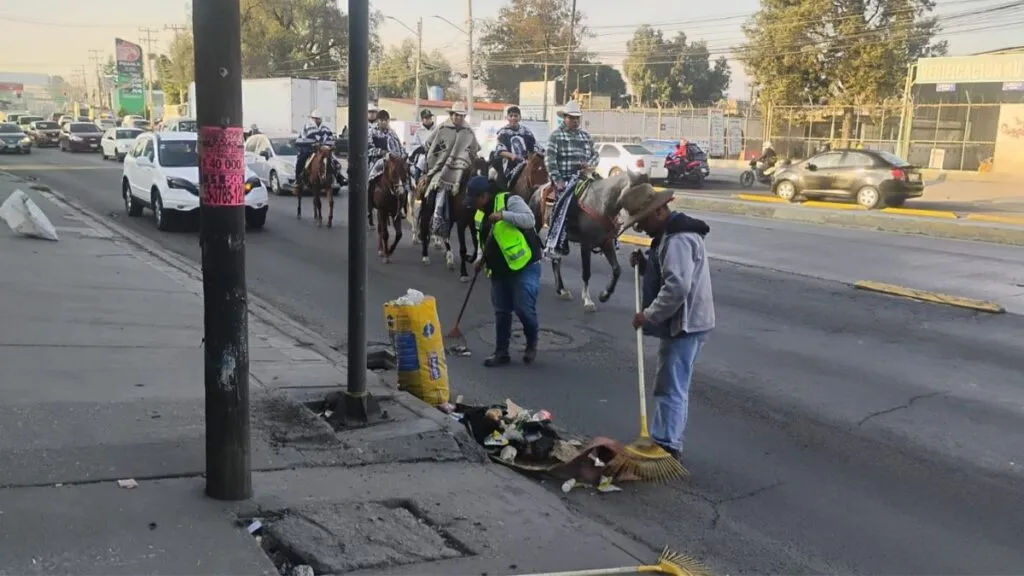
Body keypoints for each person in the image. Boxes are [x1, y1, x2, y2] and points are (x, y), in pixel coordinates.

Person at [622, 183, 714, 461]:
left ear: (660, 211)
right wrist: (647, 263)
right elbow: (668, 270)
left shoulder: (677, 239)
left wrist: (648, 315)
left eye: (642, 222)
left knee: (671, 384)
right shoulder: (668, 235)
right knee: (670, 382)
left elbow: (677, 286)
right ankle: (665, 437)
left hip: (687, 324)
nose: (640, 229)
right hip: (685, 321)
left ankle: (667, 444)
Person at [467, 174, 544, 367]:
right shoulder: (479, 215)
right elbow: (482, 240)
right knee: (501, 312)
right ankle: (501, 352)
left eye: (474, 200)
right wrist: (479, 259)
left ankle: (531, 343)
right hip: (499, 268)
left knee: (523, 308)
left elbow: (529, 220)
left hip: (525, 264)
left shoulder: (509, 200)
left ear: (484, 196)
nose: (472, 205)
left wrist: (504, 216)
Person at [544, 100, 598, 257]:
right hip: (565, 178)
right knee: (564, 203)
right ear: (565, 118)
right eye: (572, 118)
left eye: (577, 118)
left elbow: (595, 155)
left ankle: (607, 236)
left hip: (586, 177)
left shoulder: (586, 136)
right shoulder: (556, 136)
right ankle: (557, 239)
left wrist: (589, 164)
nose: (575, 121)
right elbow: (550, 159)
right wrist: (557, 179)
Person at [422, 101, 481, 239]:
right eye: (456, 115)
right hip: (440, 167)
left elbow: (474, 149)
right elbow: (429, 144)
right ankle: (434, 216)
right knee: (436, 189)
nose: (458, 118)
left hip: (462, 168)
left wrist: (468, 159)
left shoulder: (468, 131)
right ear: (451, 114)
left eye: (461, 116)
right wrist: (438, 157)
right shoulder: (442, 128)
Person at [368, 109, 409, 217]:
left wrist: (404, 155)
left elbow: (400, 147)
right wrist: (381, 152)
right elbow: (368, 149)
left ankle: (402, 206)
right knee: (370, 179)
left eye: (386, 120)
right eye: (382, 120)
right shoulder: (372, 132)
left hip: (395, 161)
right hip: (378, 159)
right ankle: (368, 205)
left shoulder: (393, 133)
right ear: (378, 121)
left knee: (406, 178)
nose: (384, 122)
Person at [490, 105, 537, 187]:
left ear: (520, 117)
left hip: (525, 164)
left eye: (516, 116)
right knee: (501, 185)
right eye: (511, 116)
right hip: (508, 165)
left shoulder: (526, 132)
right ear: (507, 117)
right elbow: (500, 150)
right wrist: (512, 156)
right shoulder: (503, 132)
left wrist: (531, 159)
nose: (513, 118)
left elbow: (533, 147)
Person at [294, 109, 337, 190]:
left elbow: (330, 140)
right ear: (312, 118)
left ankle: (338, 177)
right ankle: (298, 179)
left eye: (318, 118)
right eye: (315, 118)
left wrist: (328, 146)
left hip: (324, 150)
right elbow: (300, 140)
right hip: (311, 150)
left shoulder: (326, 129)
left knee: (334, 161)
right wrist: (313, 144)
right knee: (301, 159)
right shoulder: (306, 127)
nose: (316, 120)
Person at [409, 109, 436, 183]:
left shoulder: (437, 129)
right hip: (424, 153)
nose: (428, 120)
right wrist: (420, 148)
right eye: (426, 118)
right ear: (422, 120)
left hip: (435, 152)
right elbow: (413, 144)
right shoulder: (419, 131)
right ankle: (416, 181)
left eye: (429, 118)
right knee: (421, 161)